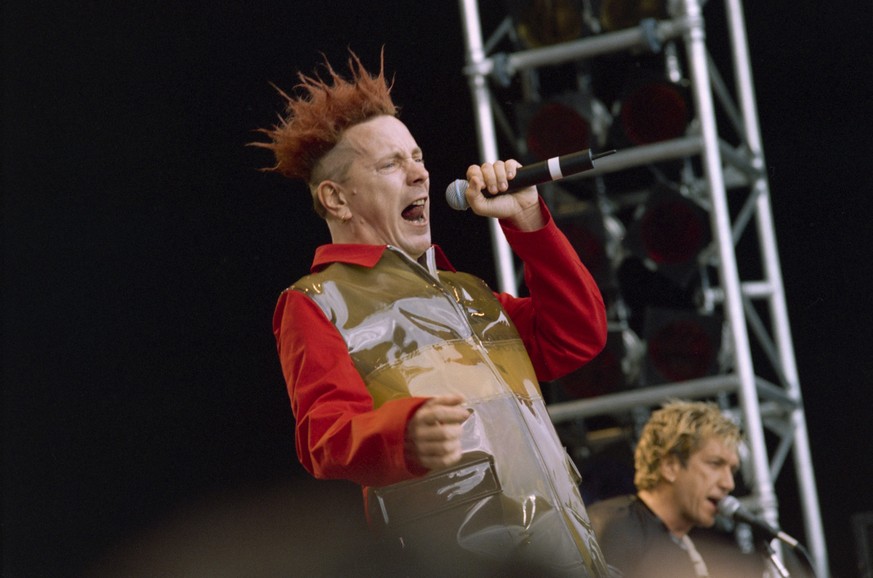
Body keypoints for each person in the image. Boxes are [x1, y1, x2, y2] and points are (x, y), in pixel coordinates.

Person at [251, 50, 610, 577]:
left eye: (417, 157)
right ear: (336, 198)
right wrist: (404, 432)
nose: (419, 174)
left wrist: (529, 220)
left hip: (570, 560)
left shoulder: (468, 291)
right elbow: (324, 438)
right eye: (390, 164)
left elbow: (577, 336)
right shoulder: (315, 302)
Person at [586, 400, 766, 578]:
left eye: (732, 471)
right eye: (715, 464)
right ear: (670, 466)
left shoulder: (688, 548)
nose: (729, 483)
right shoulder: (614, 526)